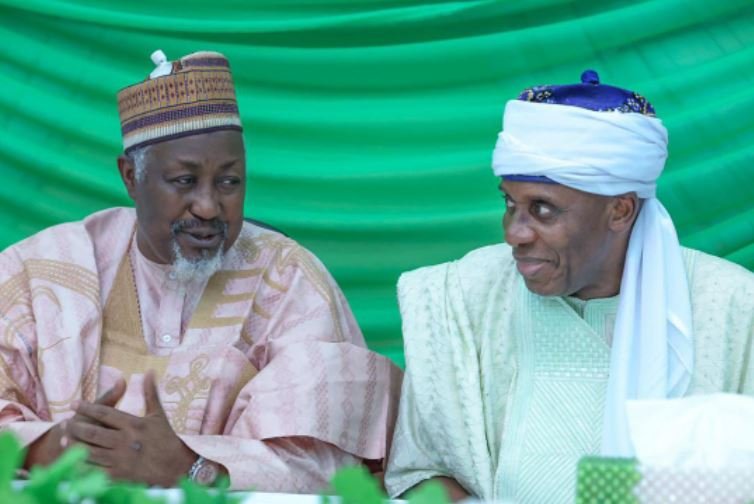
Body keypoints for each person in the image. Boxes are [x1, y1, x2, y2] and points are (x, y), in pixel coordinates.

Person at [0, 50, 402, 492]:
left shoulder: (289, 280)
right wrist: (49, 446)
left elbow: (329, 464)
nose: (209, 207)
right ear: (131, 176)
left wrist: (191, 467)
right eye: (185, 181)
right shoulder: (41, 271)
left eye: (228, 182)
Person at [384, 70, 754, 503]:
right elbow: (420, 473)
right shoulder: (459, 296)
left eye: (543, 210)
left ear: (619, 210)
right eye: (510, 203)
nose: (515, 233)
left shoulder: (731, 306)